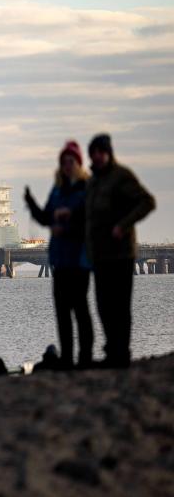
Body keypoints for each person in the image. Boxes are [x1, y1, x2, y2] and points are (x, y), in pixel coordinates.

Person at [85, 133, 155, 368]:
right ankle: (111, 349)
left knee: (120, 306)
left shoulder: (121, 176)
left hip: (121, 254)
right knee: (103, 305)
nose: (97, 156)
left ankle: (121, 352)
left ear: (108, 153)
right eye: (93, 152)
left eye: (101, 152)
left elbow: (147, 202)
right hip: (100, 255)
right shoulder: (93, 182)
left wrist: (122, 226)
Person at [24, 140, 94, 369]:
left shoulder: (86, 188)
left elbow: (89, 220)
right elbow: (47, 218)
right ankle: (66, 359)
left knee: (80, 311)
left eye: (70, 161)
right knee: (62, 313)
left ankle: (84, 358)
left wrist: (68, 221)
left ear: (78, 163)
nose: (66, 165)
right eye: (63, 161)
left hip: (79, 259)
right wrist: (31, 204)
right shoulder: (57, 190)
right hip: (60, 260)